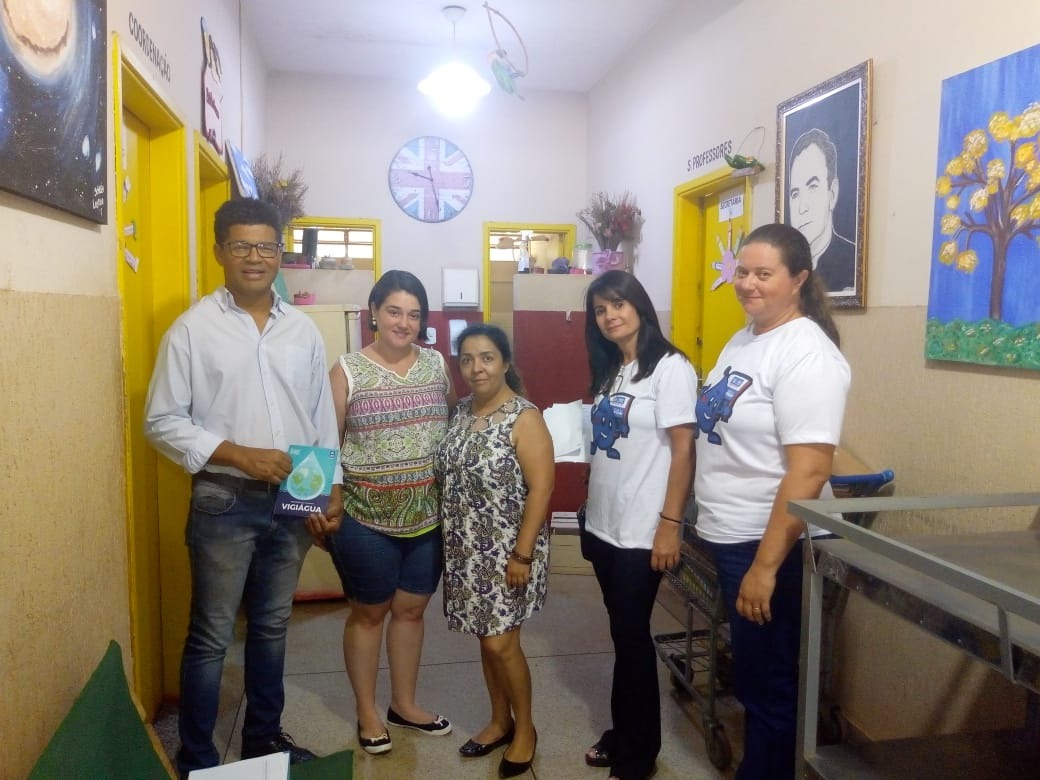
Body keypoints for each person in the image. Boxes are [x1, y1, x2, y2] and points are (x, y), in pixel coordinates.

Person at [144, 197, 342, 775]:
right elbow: (162, 419)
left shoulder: (302, 330)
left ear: (280, 254)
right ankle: (199, 757)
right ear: (219, 252)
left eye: (266, 247)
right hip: (223, 499)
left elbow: (318, 417)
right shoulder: (192, 330)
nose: (255, 258)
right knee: (210, 635)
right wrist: (239, 455)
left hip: (294, 498)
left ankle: (262, 742)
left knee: (273, 627)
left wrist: (328, 488)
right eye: (241, 246)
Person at [693, 223, 850, 779]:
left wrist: (764, 566)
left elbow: (809, 470)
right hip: (735, 535)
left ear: (799, 279)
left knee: (769, 686)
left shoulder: (807, 353)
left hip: (771, 544)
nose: (748, 284)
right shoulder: (748, 337)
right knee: (755, 677)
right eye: (742, 272)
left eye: (764, 274)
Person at [325, 270, 456, 756]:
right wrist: (320, 504)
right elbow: (322, 441)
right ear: (374, 312)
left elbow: (451, 424)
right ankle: (367, 710)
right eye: (395, 311)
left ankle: (405, 704)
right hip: (364, 518)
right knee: (368, 614)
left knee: (411, 611)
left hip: (427, 519)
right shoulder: (347, 371)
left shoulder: (437, 364)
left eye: (414, 314)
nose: (404, 323)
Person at [580, 270, 698, 780]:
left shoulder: (670, 368)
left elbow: (683, 449)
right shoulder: (613, 369)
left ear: (640, 306)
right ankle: (622, 730)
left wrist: (670, 525)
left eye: (618, 304)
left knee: (631, 636)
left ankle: (639, 751)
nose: (610, 316)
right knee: (621, 634)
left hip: (641, 532)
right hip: (605, 525)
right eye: (600, 310)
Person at [435, 323, 555, 779]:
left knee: (503, 643)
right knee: (486, 642)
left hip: (508, 551)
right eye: (467, 359)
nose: (476, 367)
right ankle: (498, 720)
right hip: (465, 549)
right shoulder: (461, 411)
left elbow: (542, 488)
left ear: (505, 361)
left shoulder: (524, 417)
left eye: (486, 357)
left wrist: (522, 554)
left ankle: (525, 728)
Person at [787, 128, 856, 292]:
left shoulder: (851, 261)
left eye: (812, 187)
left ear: (832, 193)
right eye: (795, 194)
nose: (802, 208)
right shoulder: (784, 270)